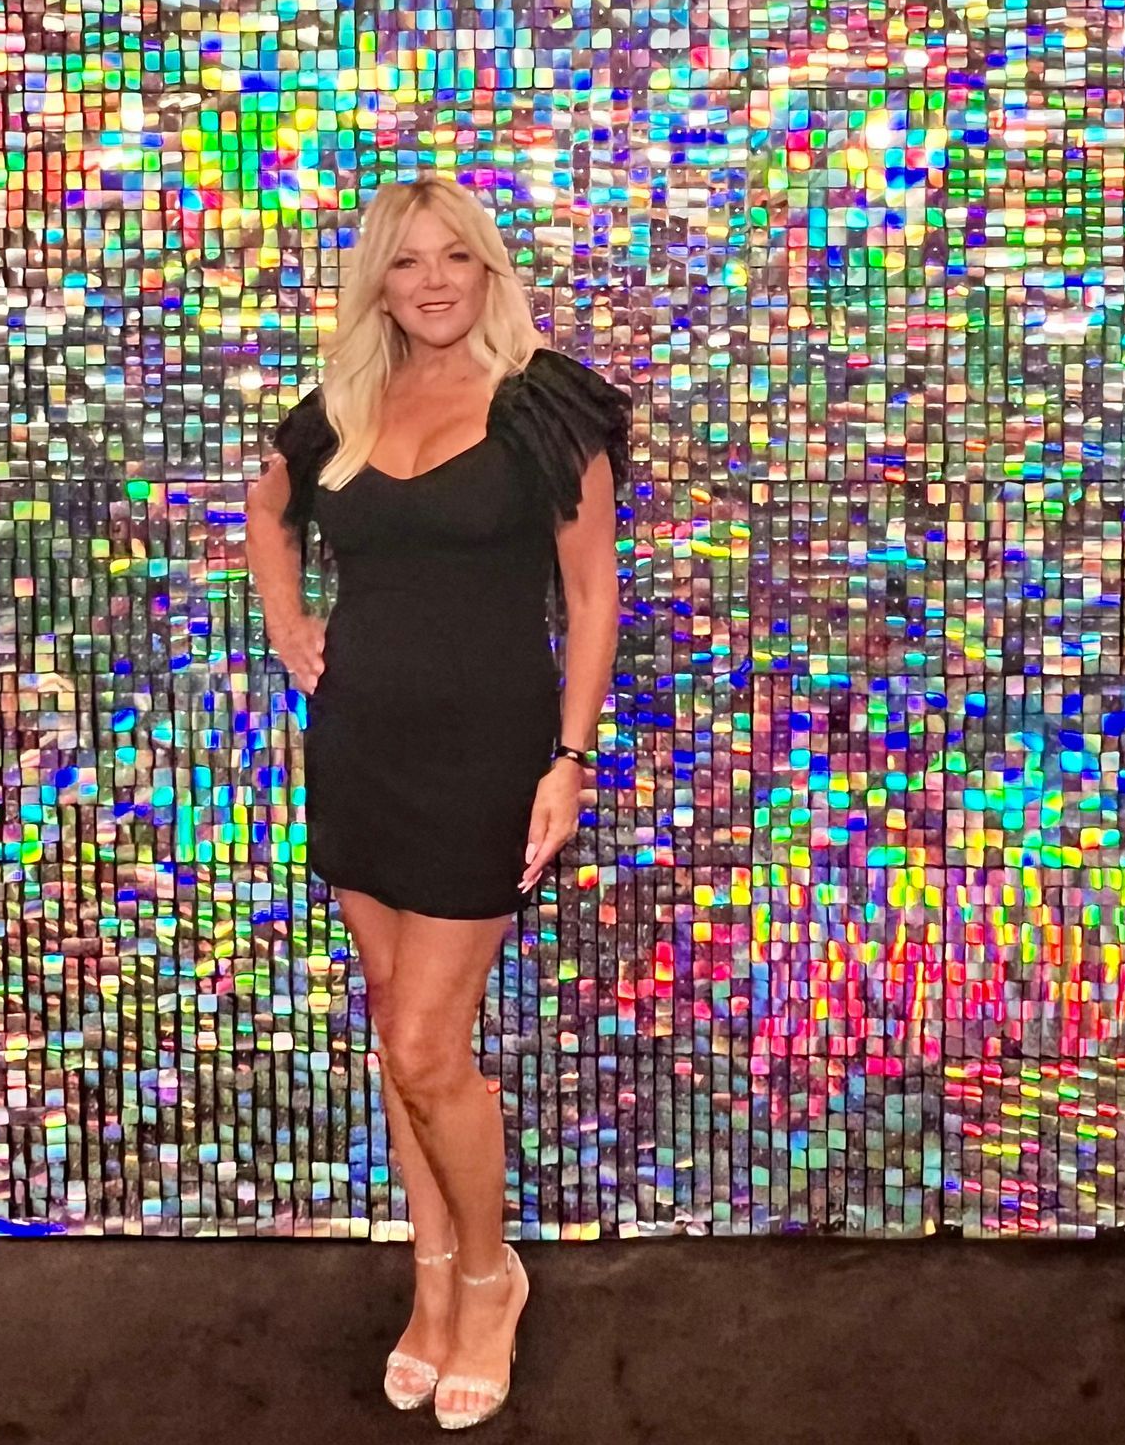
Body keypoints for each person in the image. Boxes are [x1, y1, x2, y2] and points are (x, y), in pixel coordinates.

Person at [245, 174, 632, 1430]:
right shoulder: (345, 404)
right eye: (407, 261)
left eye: (454, 256)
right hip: (360, 747)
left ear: (486, 269)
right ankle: (429, 1275)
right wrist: (288, 621)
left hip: (487, 758)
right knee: (394, 1029)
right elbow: (267, 510)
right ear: (379, 281)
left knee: (425, 1044)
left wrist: (569, 757)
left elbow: (591, 595)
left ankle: (488, 1277)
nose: (431, 281)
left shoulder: (542, 405)